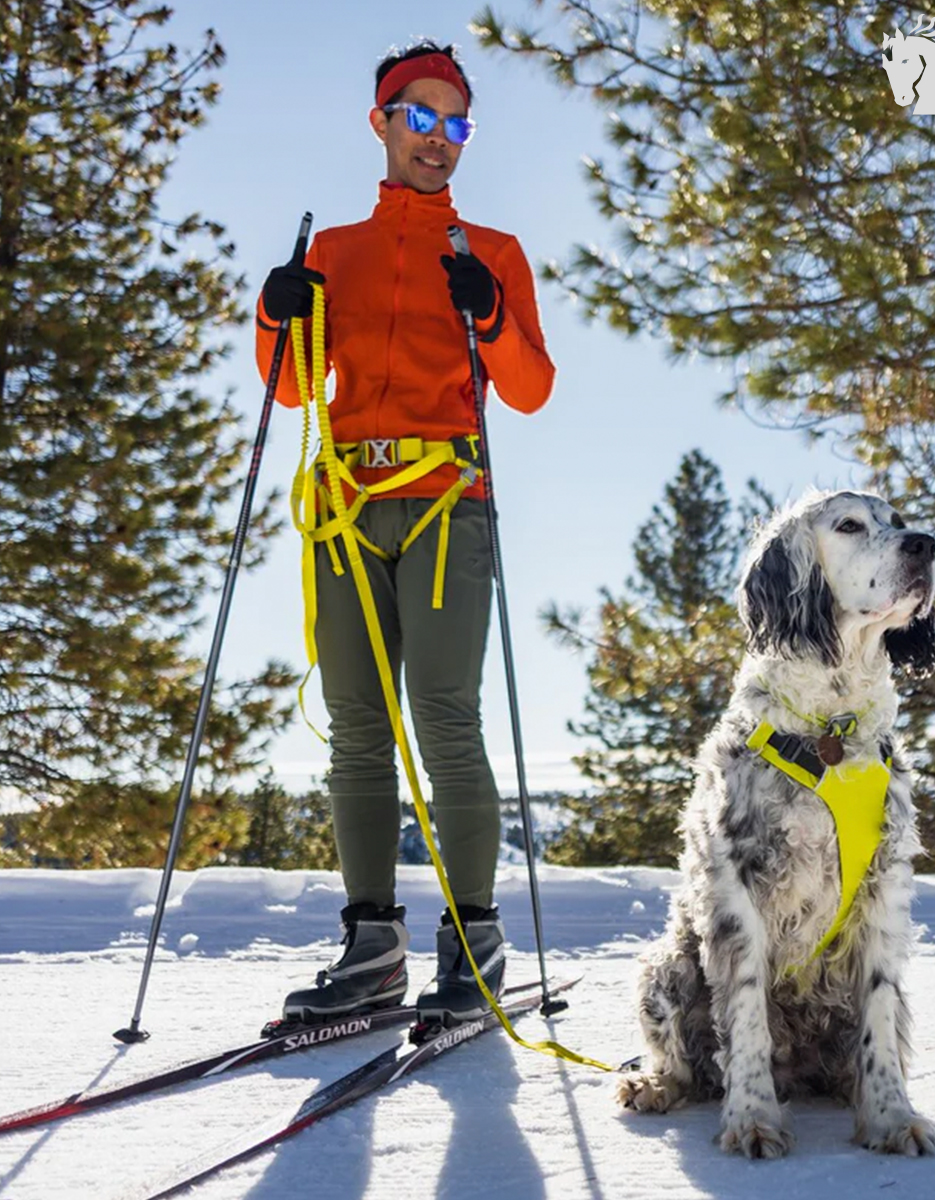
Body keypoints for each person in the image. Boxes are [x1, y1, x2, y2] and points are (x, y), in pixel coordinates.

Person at [255, 40, 554, 1026]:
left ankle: (476, 946)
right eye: (417, 117)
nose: (437, 138)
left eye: (454, 122)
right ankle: (372, 947)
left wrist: (495, 314)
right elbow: (291, 386)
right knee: (357, 730)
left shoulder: (490, 254)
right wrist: (275, 309)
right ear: (381, 123)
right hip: (347, 507)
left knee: (444, 715)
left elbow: (531, 388)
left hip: (446, 507)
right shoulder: (334, 251)